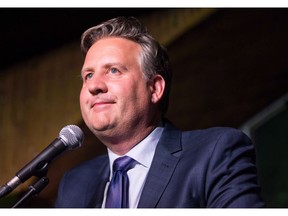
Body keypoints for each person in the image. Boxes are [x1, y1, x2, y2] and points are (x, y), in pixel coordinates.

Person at [54, 16, 265, 208]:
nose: (94, 85)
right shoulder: (74, 183)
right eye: (88, 75)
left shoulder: (216, 152)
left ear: (154, 88)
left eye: (113, 70)